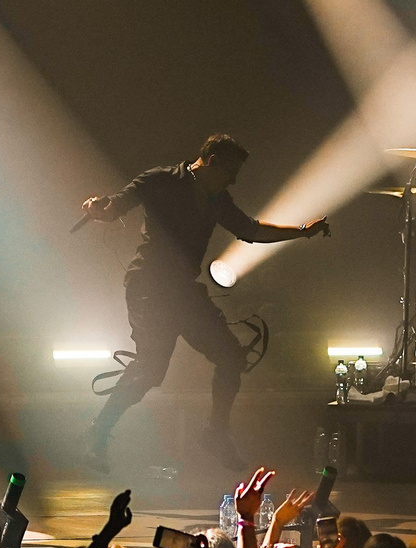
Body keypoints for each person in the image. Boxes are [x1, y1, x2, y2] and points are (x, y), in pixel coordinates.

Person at [76, 133, 331, 471]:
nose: (234, 180)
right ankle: (97, 434)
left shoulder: (217, 199)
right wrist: (97, 208)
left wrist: (300, 231)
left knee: (230, 357)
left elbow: (251, 230)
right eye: (231, 172)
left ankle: (215, 432)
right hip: (149, 287)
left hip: (183, 291)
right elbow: (115, 206)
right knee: (151, 370)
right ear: (212, 163)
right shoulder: (160, 180)